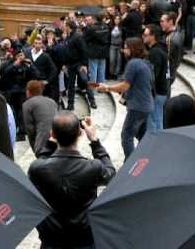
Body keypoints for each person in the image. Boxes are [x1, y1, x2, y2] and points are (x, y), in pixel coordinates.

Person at [29, 112, 115, 249]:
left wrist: (50, 144)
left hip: (52, 240)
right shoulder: (93, 167)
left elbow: (41, 160)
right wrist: (95, 141)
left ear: (53, 135)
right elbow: (110, 173)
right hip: (84, 239)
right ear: (79, 134)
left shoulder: (37, 169)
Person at [98, 38, 153, 159]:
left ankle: (131, 164)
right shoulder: (145, 63)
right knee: (142, 136)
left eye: (126, 47)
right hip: (146, 105)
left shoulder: (133, 64)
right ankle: (145, 160)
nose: (124, 50)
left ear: (133, 49)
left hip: (137, 107)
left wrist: (107, 88)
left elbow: (124, 85)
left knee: (126, 136)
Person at [143, 25, 168, 131]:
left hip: (156, 92)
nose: (143, 36)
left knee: (153, 123)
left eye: (145, 34)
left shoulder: (155, 52)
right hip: (160, 91)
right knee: (157, 120)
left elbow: (153, 75)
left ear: (153, 36)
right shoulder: (159, 48)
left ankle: (155, 145)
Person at [23, 80, 58, 156]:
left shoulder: (27, 104)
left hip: (42, 145)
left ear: (29, 91)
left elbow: (30, 129)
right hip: (58, 141)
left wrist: (35, 148)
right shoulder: (52, 101)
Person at [63, 20, 89, 111]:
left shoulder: (77, 37)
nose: (63, 27)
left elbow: (84, 50)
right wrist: (65, 64)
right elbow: (66, 52)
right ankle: (70, 105)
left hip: (78, 64)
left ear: (68, 27)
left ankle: (92, 100)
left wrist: (84, 64)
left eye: (65, 25)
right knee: (71, 85)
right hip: (70, 65)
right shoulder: (67, 37)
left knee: (85, 80)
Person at [25, 35, 58, 100]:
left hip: (40, 83)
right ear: (33, 44)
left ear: (42, 44)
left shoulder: (46, 56)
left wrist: (48, 81)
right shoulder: (27, 54)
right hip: (29, 82)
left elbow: (54, 69)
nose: (37, 45)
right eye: (36, 43)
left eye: (39, 43)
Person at [160, 12, 184, 86]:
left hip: (168, 73)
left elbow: (169, 59)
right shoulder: (176, 32)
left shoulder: (171, 39)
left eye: (162, 21)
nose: (160, 23)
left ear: (170, 22)